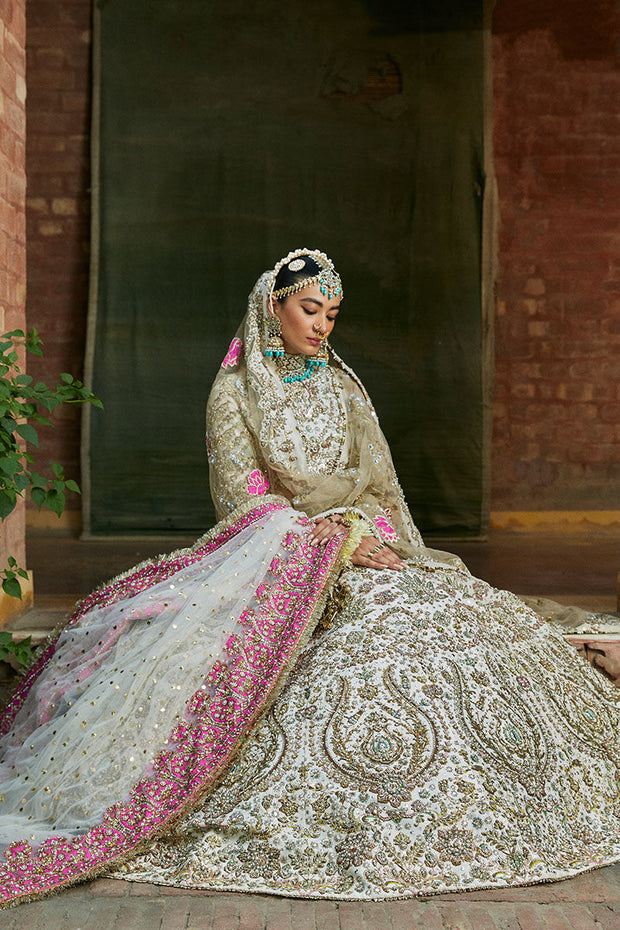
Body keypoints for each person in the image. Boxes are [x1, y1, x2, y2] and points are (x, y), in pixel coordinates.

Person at [1, 249, 619, 907]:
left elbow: (378, 484)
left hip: (364, 544)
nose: (321, 326)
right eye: (309, 309)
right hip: (285, 554)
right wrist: (329, 544)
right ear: (273, 306)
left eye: (331, 314)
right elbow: (244, 498)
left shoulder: (342, 386)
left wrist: (367, 535)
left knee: (445, 614)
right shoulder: (236, 391)